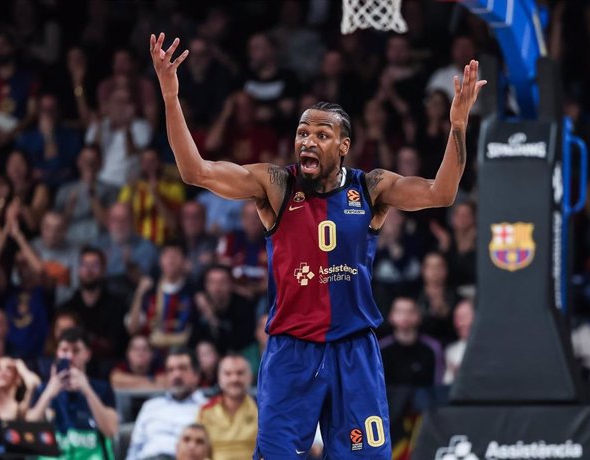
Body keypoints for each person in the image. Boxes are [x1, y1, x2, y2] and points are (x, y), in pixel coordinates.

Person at [150, 32, 484, 459]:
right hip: (292, 353)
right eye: (302, 132)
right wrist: (171, 96)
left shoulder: (371, 187)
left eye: (321, 134)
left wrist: (457, 125)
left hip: (354, 350)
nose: (307, 140)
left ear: (344, 146)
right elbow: (197, 171)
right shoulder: (276, 185)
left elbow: (441, 193)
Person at [27, 327, 118, 457]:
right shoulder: (43, 389)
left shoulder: (101, 389)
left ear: (87, 354)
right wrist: (48, 394)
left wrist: (87, 391)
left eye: (76, 351)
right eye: (64, 350)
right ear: (57, 353)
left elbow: (110, 431)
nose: (69, 356)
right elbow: (28, 430)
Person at [126, 347, 207, 460]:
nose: (176, 375)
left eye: (182, 368)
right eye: (171, 370)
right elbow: (134, 450)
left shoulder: (207, 408)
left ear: (196, 374)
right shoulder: (151, 406)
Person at [197, 354, 258, 460]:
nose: (234, 379)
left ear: (250, 377)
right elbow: (199, 451)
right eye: (228, 374)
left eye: (240, 373)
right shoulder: (205, 411)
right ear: (219, 378)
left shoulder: (262, 410)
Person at [0, 355, 41, 420]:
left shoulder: (20, 410)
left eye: (9, 368)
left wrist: (21, 367)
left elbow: (34, 382)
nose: (3, 371)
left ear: (17, 378)